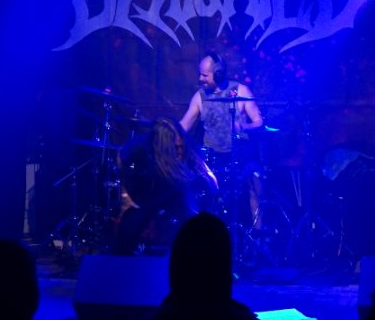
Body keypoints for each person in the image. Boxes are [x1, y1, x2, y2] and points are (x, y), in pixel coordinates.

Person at [178, 51, 264, 230]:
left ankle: (258, 234)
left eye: (204, 75)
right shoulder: (200, 96)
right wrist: (165, 133)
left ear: (218, 74)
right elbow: (184, 126)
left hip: (240, 155)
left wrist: (244, 127)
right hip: (213, 158)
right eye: (200, 74)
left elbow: (259, 122)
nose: (200, 78)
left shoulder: (240, 91)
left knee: (254, 188)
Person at [113, 118, 217, 255]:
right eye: (176, 147)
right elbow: (121, 156)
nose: (179, 149)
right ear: (164, 144)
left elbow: (198, 161)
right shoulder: (144, 143)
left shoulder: (186, 142)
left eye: (180, 146)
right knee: (130, 226)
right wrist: (126, 192)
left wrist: (210, 177)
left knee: (193, 221)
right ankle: (118, 259)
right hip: (148, 189)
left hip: (174, 187)